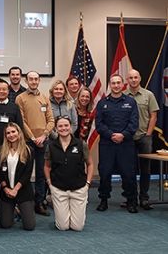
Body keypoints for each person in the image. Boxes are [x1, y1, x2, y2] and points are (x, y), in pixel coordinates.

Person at [96, 75, 139, 213]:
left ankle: (131, 201)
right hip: (107, 144)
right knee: (105, 173)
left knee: (128, 174)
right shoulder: (102, 103)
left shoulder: (131, 102)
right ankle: (103, 200)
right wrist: (111, 135)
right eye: (113, 83)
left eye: (118, 83)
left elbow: (134, 123)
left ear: (123, 84)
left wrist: (123, 135)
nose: (116, 85)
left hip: (126, 144)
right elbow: (99, 124)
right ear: (110, 85)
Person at [44, 116, 94, 231]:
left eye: (66, 125)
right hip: (59, 189)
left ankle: (72, 210)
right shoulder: (51, 146)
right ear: (56, 129)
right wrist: (50, 184)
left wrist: (87, 184)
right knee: (62, 227)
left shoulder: (81, 144)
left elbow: (90, 164)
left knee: (77, 227)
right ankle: (53, 200)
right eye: (60, 126)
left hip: (79, 189)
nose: (63, 128)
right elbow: (46, 166)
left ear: (70, 127)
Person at [15, 71, 54, 216]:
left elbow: (51, 120)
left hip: (43, 141)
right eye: (30, 79)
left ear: (39, 80)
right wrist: (32, 138)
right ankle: (24, 203)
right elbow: (21, 121)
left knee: (41, 174)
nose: (33, 81)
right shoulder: (20, 98)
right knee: (24, 173)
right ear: (26, 80)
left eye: (36, 79)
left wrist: (43, 136)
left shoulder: (44, 98)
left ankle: (39, 202)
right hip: (27, 142)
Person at [125, 69, 159, 210]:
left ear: (140, 79)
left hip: (144, 137)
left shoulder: (148, 95)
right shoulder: (123, 96)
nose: (133, 80)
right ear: (127, 80)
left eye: (135, 77)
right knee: (128, 169)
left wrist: (148, 134)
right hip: (128, 138)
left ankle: (144, 198)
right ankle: (130, 198)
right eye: (130, 78)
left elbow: (153, 116)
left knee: (145, 169)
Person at [0, 122, 35, 231]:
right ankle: (13, 210)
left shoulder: (28, 150)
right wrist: (5, 189)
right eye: (8, 133)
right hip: (7, 192)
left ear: (19, 133)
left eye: (13, 132)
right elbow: (0, 173)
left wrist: (15, 189)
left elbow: (27, 173)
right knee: (5, 224)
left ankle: (21, 210)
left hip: (23, 190)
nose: (11, 135)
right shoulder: (1, 150)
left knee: (29, 226)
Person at [0, 78, 23, 155]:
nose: (1, 91)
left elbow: (20, 128)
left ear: (8, 91)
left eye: (4, 89)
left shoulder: (14, 107)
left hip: (11, 147)